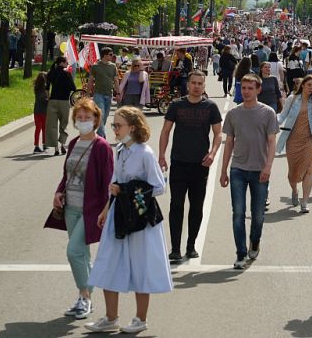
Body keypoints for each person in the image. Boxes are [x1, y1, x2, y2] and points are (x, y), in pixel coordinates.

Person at [84, 107, 173, 334]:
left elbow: (159, 187)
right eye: (114, 125)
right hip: (118, 215)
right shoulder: (121, 150)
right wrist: (105, 209)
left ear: (132, 127)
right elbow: (115, 184)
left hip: (140, 219)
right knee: (107, 263)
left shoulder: (145, 153)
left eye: (118, 125)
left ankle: (140, 319)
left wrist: (128, 190)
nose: (114, 129)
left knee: (141, 267)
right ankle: (110, 317)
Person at [47, 98, 113, 321]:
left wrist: (105, 210)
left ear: (96, 119)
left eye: (88, 117)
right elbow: (68, 174)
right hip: (71, 207)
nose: (83, 121)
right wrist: (58, 191)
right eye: (80, 118)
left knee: (73, 251)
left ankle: (84, 296)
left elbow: (108, 181)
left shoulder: (102, 146)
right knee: (82, 254)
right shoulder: (74, 143)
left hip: (90, 209)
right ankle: (85, 297)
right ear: (75, 120)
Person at [158, 70, 223, 263]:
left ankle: (191, 246)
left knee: (196, 207)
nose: (196, 86)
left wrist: (212, 153)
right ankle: (175, 249)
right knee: (176, 205)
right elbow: (166, 130)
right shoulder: (177, 105)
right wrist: (161, 155)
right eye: (193, 83)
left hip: (200, 164)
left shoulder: (210, 107)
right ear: (188, 85)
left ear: (204, 86)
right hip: (178, 162)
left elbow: (218, 134)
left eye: (199, 83)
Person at [220, 73, 280, 269]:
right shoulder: (233, 114)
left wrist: (268, 167)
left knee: (258, 215)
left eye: (250, 88)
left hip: (260, 170)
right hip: (238, 169)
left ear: (258, 90)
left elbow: (272, 142)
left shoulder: (268, 112)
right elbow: (229, 143)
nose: (246, 92)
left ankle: (255, 241)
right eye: (243, 88)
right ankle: (241, 253)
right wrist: (223, 171)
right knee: (238, 213)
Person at [276, 74, 312, 213]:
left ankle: (304, 202)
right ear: (302, 85)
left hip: (311, 139)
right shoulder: (292, 99)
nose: (311, 88)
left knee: (309, 169)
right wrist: (269, 122)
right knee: (293, 173)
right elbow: (282, 116)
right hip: (293, 140)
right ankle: (295, 191)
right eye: (309, 85)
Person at [46, 56, 76, 156]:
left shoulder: (51, 72)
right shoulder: (67, 73)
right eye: (66, 62)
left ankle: (55, 148)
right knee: (64, 124)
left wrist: (48, 96)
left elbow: (47, 87)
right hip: (64, 101)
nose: (67, 64)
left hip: (53, 101)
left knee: (52, 125)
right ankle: (62, 144)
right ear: (62, 63)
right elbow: (73, 87)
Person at [89, 47, 119, 138]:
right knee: (101, 115)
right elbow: (90, 80)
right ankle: (102, 136)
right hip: (98, 94)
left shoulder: (113, 66)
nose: (112, 56)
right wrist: (88, 93)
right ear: (104, 55)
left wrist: (118, 93)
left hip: (108, 94)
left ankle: (99, 133)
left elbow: (116, 80)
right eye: (110, 54)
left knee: (105, 117)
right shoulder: (95, 66)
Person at [33, 72, 49, 154]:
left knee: (38, 128)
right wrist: (49, 101)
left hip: (37, 111)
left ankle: (36, 145)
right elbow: (44, 100)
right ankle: (44, 144)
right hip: (44, 111)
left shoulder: (36, 88)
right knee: (44, 128)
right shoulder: (44, 89)